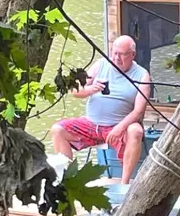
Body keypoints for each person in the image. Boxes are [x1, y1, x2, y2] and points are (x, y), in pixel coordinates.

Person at [51, 35, 152, 185]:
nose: (117, 58)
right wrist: (91, 89)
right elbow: (75, 91)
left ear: (132, 55)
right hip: (91, 124)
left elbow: (138, 111)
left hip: (119, 126)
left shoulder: (142, 75)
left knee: (136, 130)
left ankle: (124, 184)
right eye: (114, 53)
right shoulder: (101, 65)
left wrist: (120, 127)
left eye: (122, 54)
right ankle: (68, 180)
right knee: (57, 129)